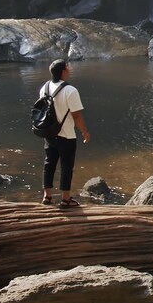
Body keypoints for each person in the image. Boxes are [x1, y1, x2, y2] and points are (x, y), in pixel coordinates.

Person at [40, 59, 91, 208]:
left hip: (49, 133)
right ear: (63, 71)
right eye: (67, 67)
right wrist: (85, 132)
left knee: (49, 163)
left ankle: (47, 196)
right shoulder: (70, 90)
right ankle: (65, 199)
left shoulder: (45, 87)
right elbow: (77, 116)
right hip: (66, 135)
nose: (69, 69)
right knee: (66, 166)